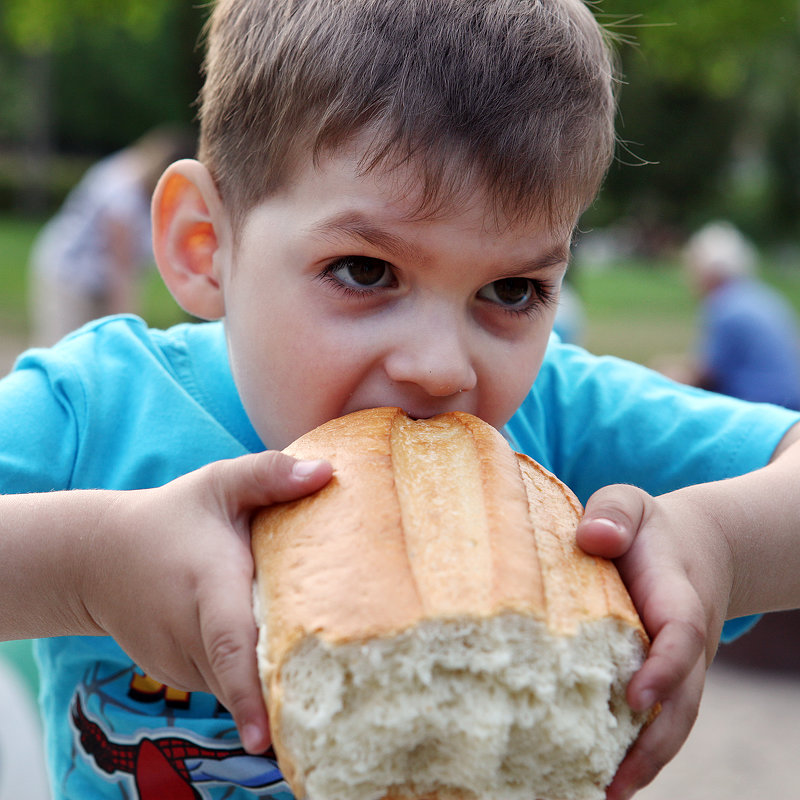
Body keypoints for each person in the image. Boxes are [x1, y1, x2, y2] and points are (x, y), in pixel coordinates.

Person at [0, 1, 799, 799]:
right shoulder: (98, 406)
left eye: (512, 289)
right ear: (204, 243)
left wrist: (718, 548)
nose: (441, 368)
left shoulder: (557, 409)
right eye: (365, 271)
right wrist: (89, 564)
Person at [28, 125, 194, 346]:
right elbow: (121, 273)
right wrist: (130, 330)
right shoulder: (121, 190)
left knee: (100, 352)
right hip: (70, 277)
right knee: (67, 348)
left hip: (99, 280)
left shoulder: (145, 188)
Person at [657, 220, 800, 409]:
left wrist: (659, 374)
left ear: (708, 271)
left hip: (765, 409)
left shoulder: (727, 307)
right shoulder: (762, 295)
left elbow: (706, 375)